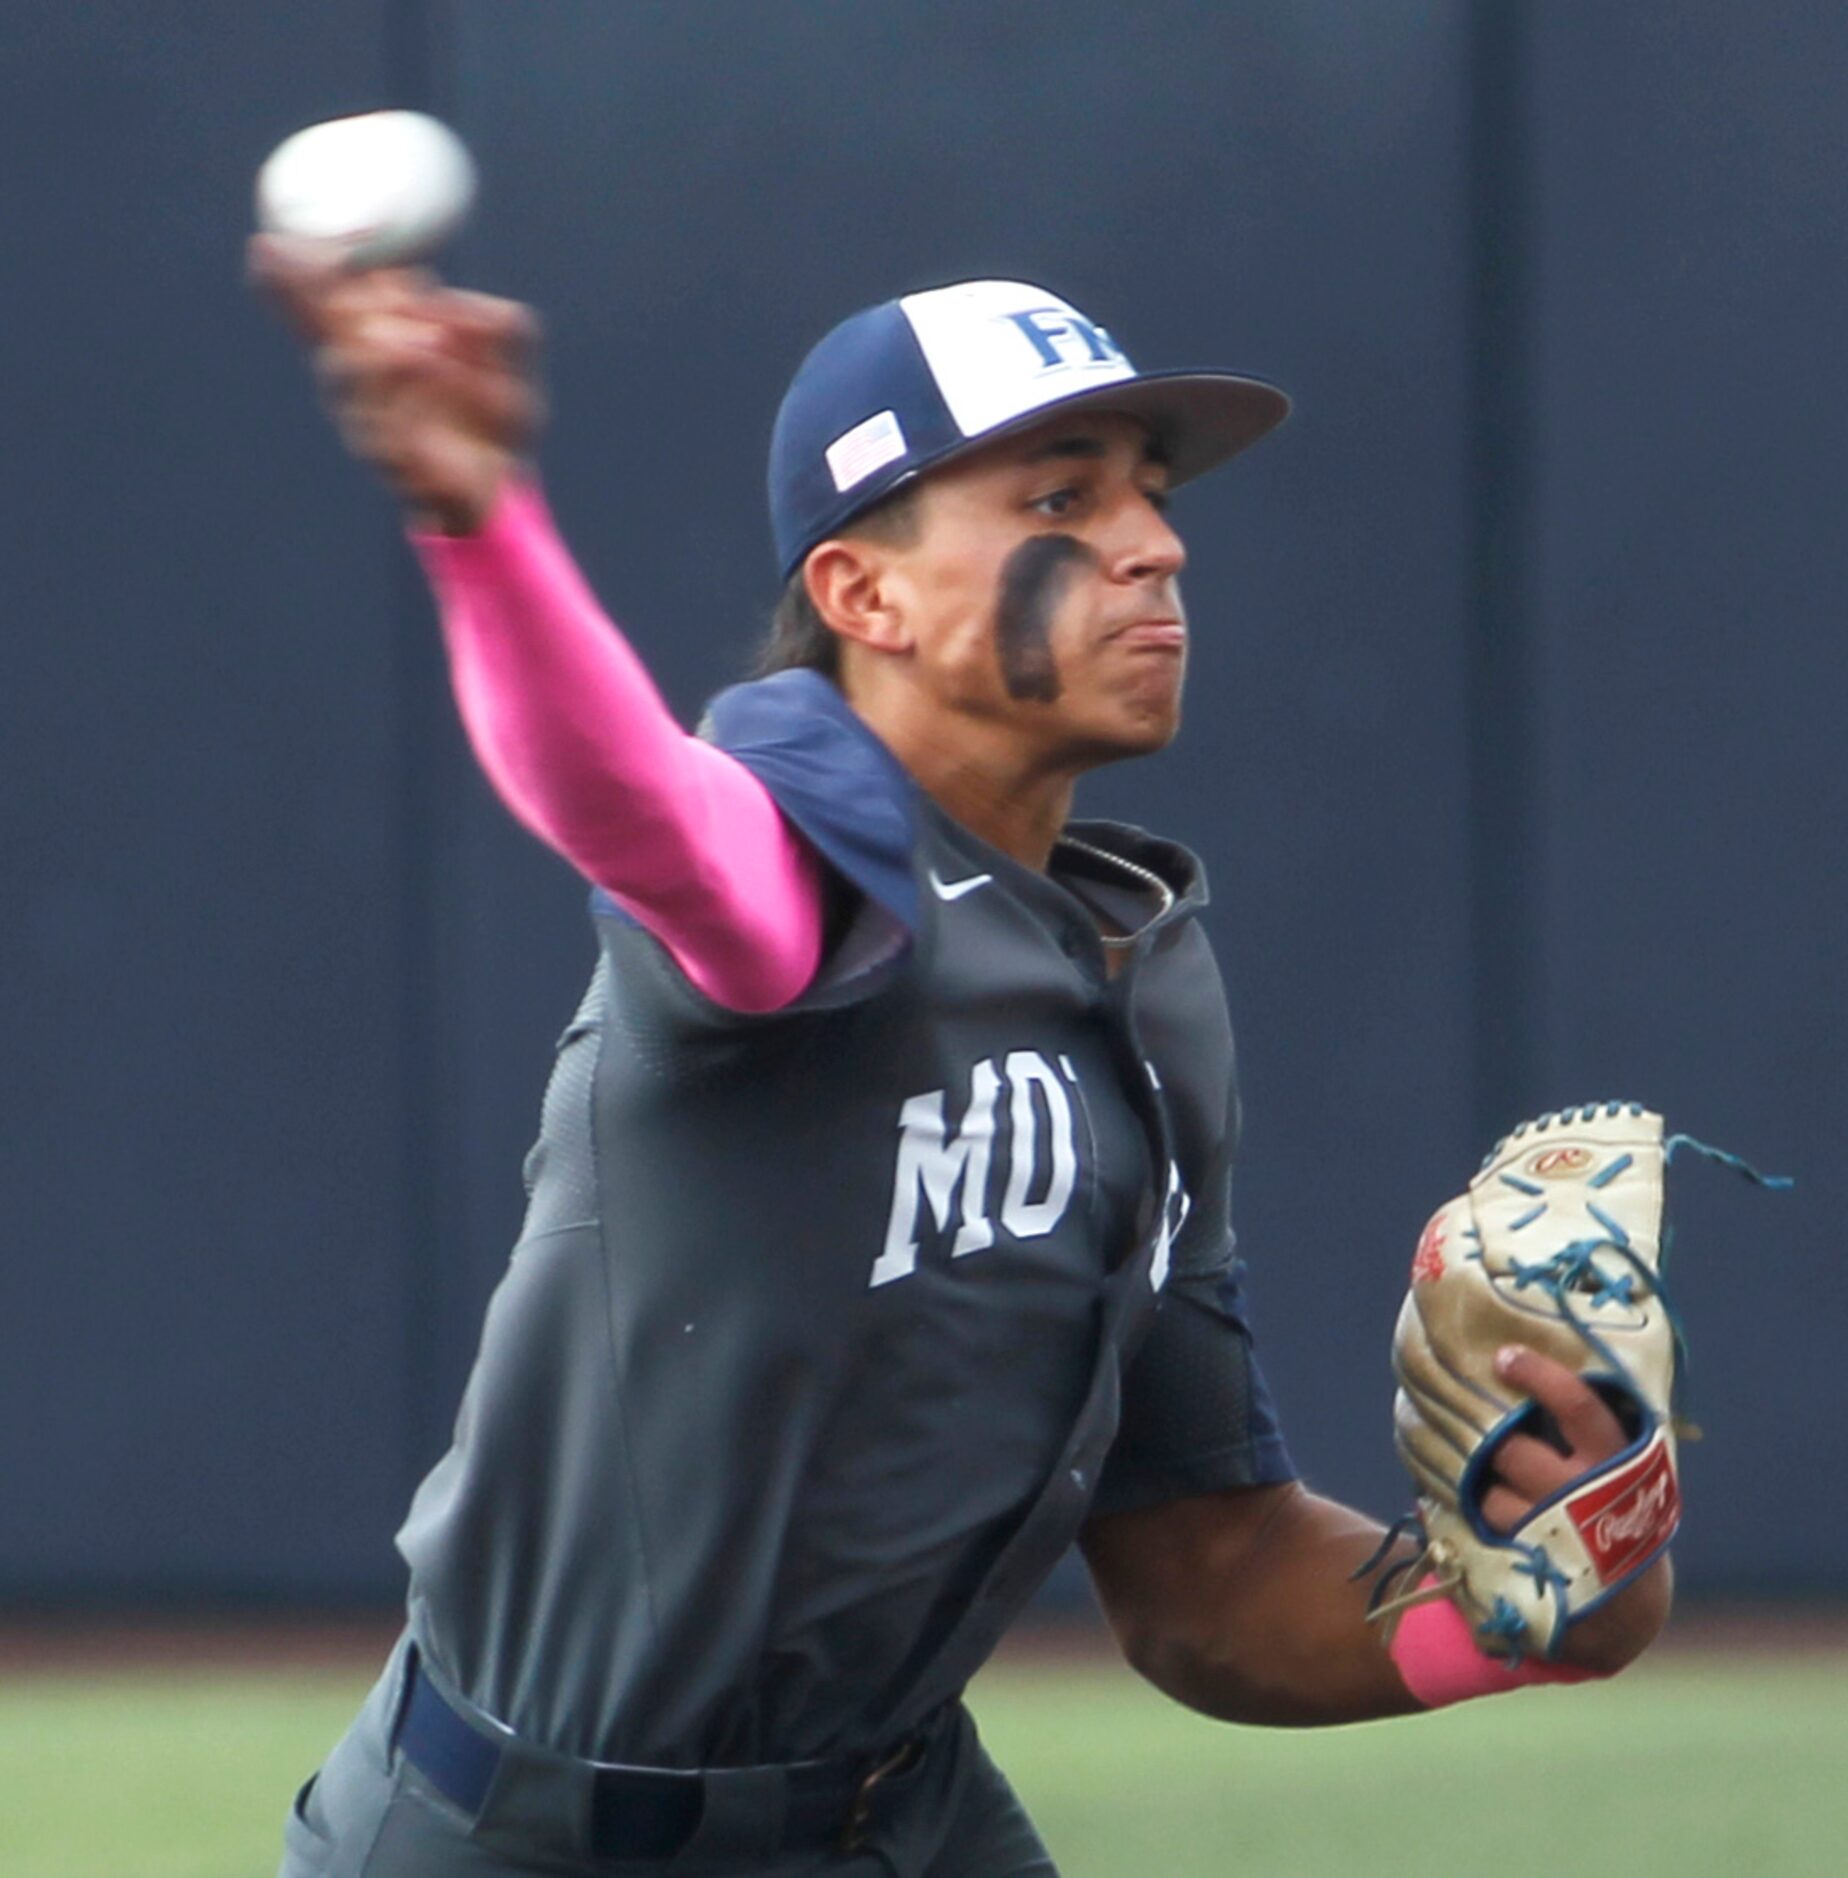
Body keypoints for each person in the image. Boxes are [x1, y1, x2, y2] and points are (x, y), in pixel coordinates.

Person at [251, 249, 1671, 1878]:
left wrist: (1523, 1608)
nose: (1155, 542)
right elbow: (631, 803)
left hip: (895, 1815)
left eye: (1146, 493)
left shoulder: (1142, 975)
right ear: (867, 597)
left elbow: (1204, 1562)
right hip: (538, 1838)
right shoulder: (799, 857)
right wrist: (480, 527)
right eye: (1060, 503)